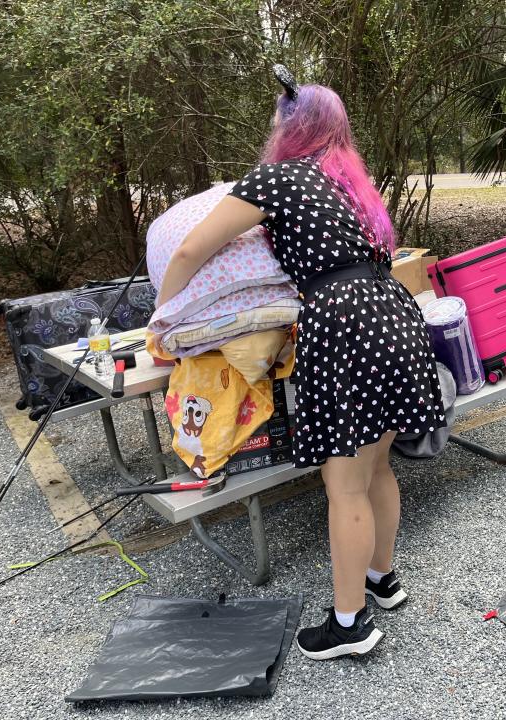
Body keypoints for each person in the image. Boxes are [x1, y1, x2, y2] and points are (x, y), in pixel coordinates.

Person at [156, 66, 446, 660]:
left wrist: (162, 311)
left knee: (343, 485)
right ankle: (379, 582)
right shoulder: (355, 189)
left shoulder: (277, 179)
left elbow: (189, 248)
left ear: (288, 127)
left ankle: (349, 626)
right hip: (395, 313)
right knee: (376, 468)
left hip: (343, 323)